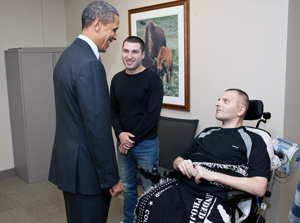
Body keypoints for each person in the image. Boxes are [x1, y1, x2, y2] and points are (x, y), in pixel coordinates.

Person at [134, 89, 271, 223]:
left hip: (217, 195)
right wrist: (180, 163)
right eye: (218, 100)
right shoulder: (207, 133)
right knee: (147, 203)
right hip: (184, 186)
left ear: (240, 110)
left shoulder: (254, 140)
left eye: (225, 101)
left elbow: (259, 187)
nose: (217, 103)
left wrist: (213, 175)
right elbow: (179, 158)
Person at [48, 1, 123, 223]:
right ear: (98, 24)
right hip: (88, 173)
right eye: (114, 29)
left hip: (71, 165)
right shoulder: (90, 64)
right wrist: (111, 178)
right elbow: (98, 128)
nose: (115, 37)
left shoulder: (67, 56)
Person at [110, 36, 163, 223]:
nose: (129, 56)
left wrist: (129, 140)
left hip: (146, 144)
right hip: (123, 144)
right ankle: (129, 220)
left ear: (142, 54)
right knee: (128, 187)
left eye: (134, 51)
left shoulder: (153, 80)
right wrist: (120, 134)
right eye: (126, 51)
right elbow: (113, 111)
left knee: (150, 189)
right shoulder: (116, 79)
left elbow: (152, 115)